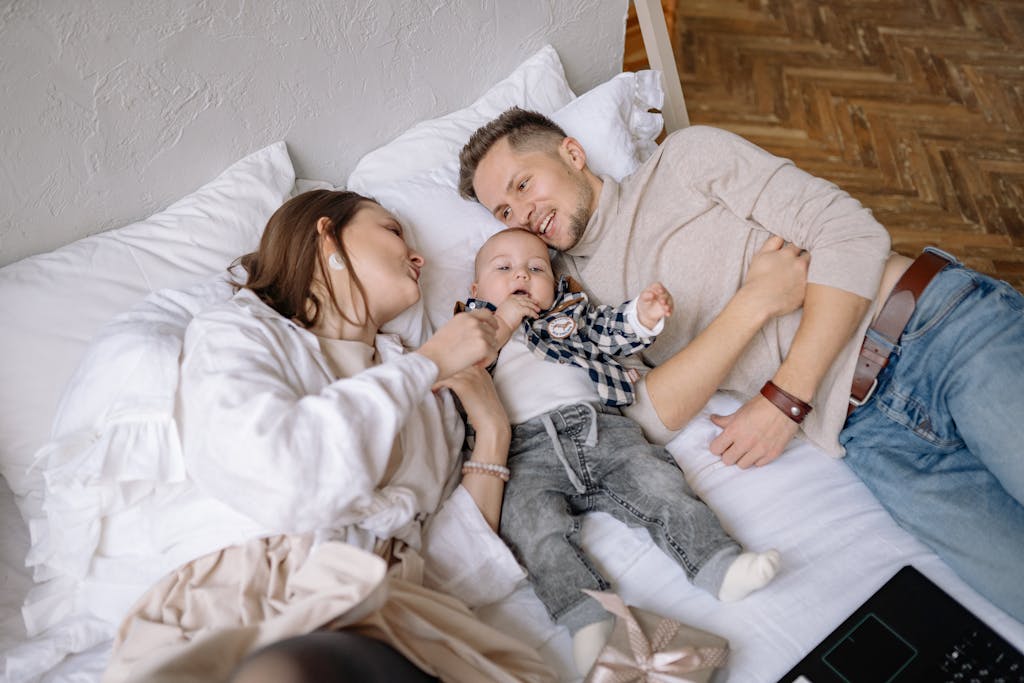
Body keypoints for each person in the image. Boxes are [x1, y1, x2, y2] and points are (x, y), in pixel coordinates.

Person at [457, 108, 1024, 622]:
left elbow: (849, 234)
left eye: (523, 184)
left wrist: (787, 396)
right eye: (504, 210)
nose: (522, 215)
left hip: (934, 331)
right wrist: (755, 303)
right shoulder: (579, 303)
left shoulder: (684, 159)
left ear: (572, 154)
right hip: (871, 437)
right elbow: (649, 414)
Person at [100, 190, 557, 683]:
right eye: (392, 231)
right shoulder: (238, 330)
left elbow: (444, 571)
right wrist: (431, 361)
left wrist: (492, 433)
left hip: (384, 611)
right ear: (326, 236)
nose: (418, 255)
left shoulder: (429, 397)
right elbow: (283, 475)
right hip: (253, 595)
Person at [458, 227, 783, 675]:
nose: (523, 275)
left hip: (597, 428)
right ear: (476, 290)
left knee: (659, 483)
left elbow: (606, 334)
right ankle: (588, 620)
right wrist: (504, 321)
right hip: (522, 452)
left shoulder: (566, 318)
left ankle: (717, 565)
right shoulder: (468, 330)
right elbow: (461, 374)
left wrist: (641, 317)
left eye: (536, 268)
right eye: (504, 268)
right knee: (534, 534)